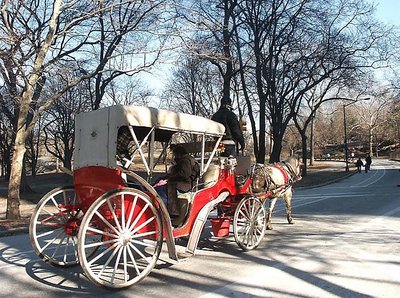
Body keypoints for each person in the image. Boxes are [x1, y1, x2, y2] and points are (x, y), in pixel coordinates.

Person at [155, 145, 199, 216]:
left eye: (174, 154)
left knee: (161, 188)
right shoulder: (186, 160)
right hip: (184, 182)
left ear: (178, 154)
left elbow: (184, 174)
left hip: (185, 185)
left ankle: (166, 209)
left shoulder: (185, 161)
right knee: (159, 180)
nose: (174, 156)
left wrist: (170, 178)